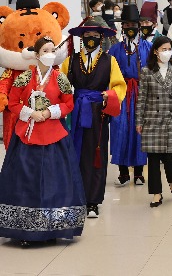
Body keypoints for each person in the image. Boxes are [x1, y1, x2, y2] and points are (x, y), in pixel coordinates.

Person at [0, 37, 85, 247]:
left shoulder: (61, 78)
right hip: (27, 136)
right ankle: (24, 230)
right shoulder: (24, 77)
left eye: (52, 50)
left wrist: (49, 112)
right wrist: (29, 113)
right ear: (37, 55)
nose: (50, 54)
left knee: (55, 180)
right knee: (25, 181)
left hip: (54, 134)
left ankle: (54, 227)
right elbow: (12, 103)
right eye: (45, 51)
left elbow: (68, 104)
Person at [62, 21, 126, 219]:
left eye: (95, 35)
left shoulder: (109, 61)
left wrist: (109, 95)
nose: (91, 39)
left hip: (98, 112)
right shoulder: (71, 60)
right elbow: (61, 84)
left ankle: (93, 201)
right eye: (87, 35)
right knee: (74, 153)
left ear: (101, 38)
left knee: (96, 154)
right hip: (75, 111)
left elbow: (119, 86)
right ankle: (74, 197)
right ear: (82, 37)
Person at [136, 36, 172, 208]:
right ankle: (156, 193)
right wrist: (139, 120)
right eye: (163, 49)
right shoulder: (146, 71)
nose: (167, 52)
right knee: (153, 158)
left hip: (171, 120)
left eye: (169, 49)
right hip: (152, 120)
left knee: (169, 157)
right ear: (155, 51)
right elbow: (142, 98)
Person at [107, 4, 152, 187]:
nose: (129, 28)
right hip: (121, 94)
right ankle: (123, 171)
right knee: (120, 130)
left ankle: (139, 172)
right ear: (122, 27)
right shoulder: (115, 49)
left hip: (141, 93)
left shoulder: (148, 47)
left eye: (133, 24)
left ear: (139, 26)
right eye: (126, 25)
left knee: (140, 131)